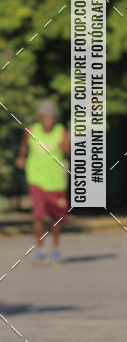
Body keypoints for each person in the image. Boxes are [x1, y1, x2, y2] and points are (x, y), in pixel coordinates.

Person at [15, 99, 69, 264]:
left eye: (52, 117)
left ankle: (55, 247)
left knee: (56, 218)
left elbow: (68, 151)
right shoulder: (31, 130)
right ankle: (40, 249)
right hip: (36, 179)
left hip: (56, 181)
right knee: (37, 215)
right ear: (39, 117)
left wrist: (65, 147)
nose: (49, 120)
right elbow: (24, 146)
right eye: (46, 117)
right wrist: (21, 157)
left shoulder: (61, 131)